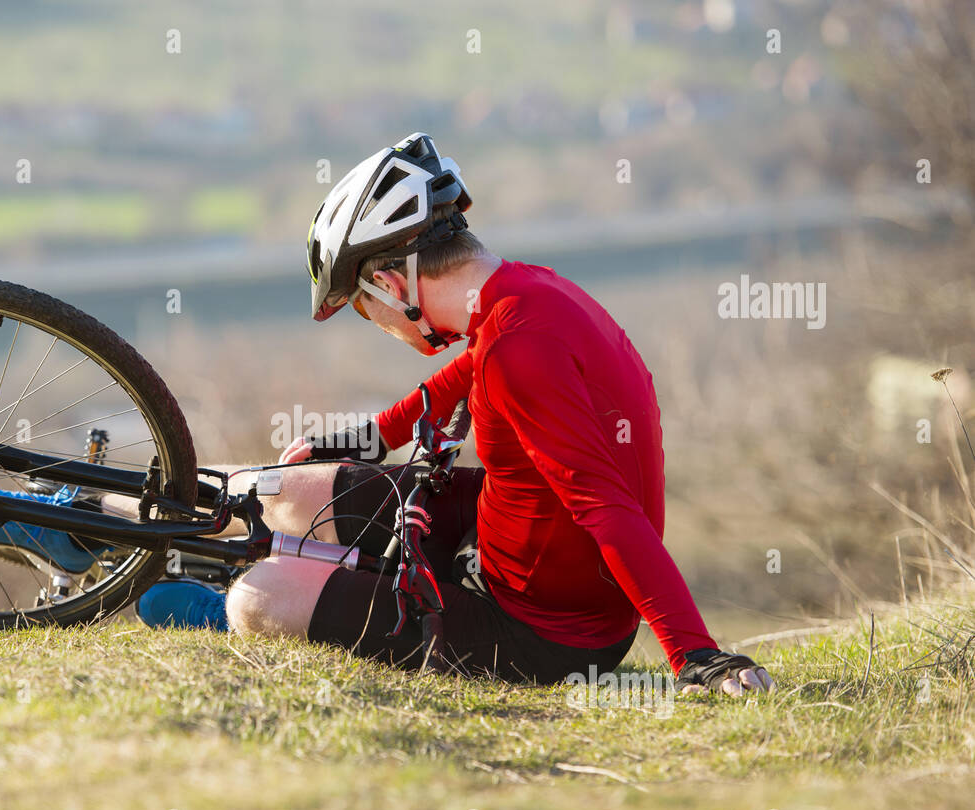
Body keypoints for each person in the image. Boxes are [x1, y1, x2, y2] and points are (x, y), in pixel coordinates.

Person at [139, 132, 774, 696]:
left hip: (545, 633)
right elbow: (468, 372)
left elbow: (607, 510)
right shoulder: (524, 294)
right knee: (275, 491)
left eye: (366, 311)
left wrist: (696, 654)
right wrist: (374, 436)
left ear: (390, 286)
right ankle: (85, 512)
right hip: (493, 534)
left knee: (261, 597)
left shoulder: (521, 349)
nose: (380, 326)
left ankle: (221, 604)